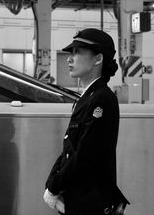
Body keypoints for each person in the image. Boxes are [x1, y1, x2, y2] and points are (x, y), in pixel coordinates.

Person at [43, 28, 129, 215]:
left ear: (98, 59)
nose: (69, 58)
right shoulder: (88, 97)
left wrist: (54, 187)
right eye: (71, 52)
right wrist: (51, 183)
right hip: (80, 199)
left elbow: (86, 155)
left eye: (78, 52)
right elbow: (69, 149)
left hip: (91, 203)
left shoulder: (102, 99)